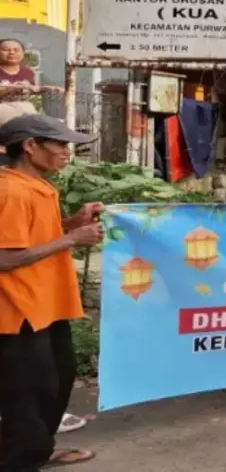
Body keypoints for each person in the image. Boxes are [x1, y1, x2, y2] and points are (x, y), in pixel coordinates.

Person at [0, 114, 102, 469]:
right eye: (60, 144)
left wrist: (73, 223)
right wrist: (71, 239)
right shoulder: (11, 191)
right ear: (30, 147)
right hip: (18, 313)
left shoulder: (37, 187)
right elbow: (4, 257)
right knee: (28, 399)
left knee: (57, 382)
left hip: (46, 306)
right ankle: (20, 458)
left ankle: (36, 449)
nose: (66, 152)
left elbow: (33, 236)